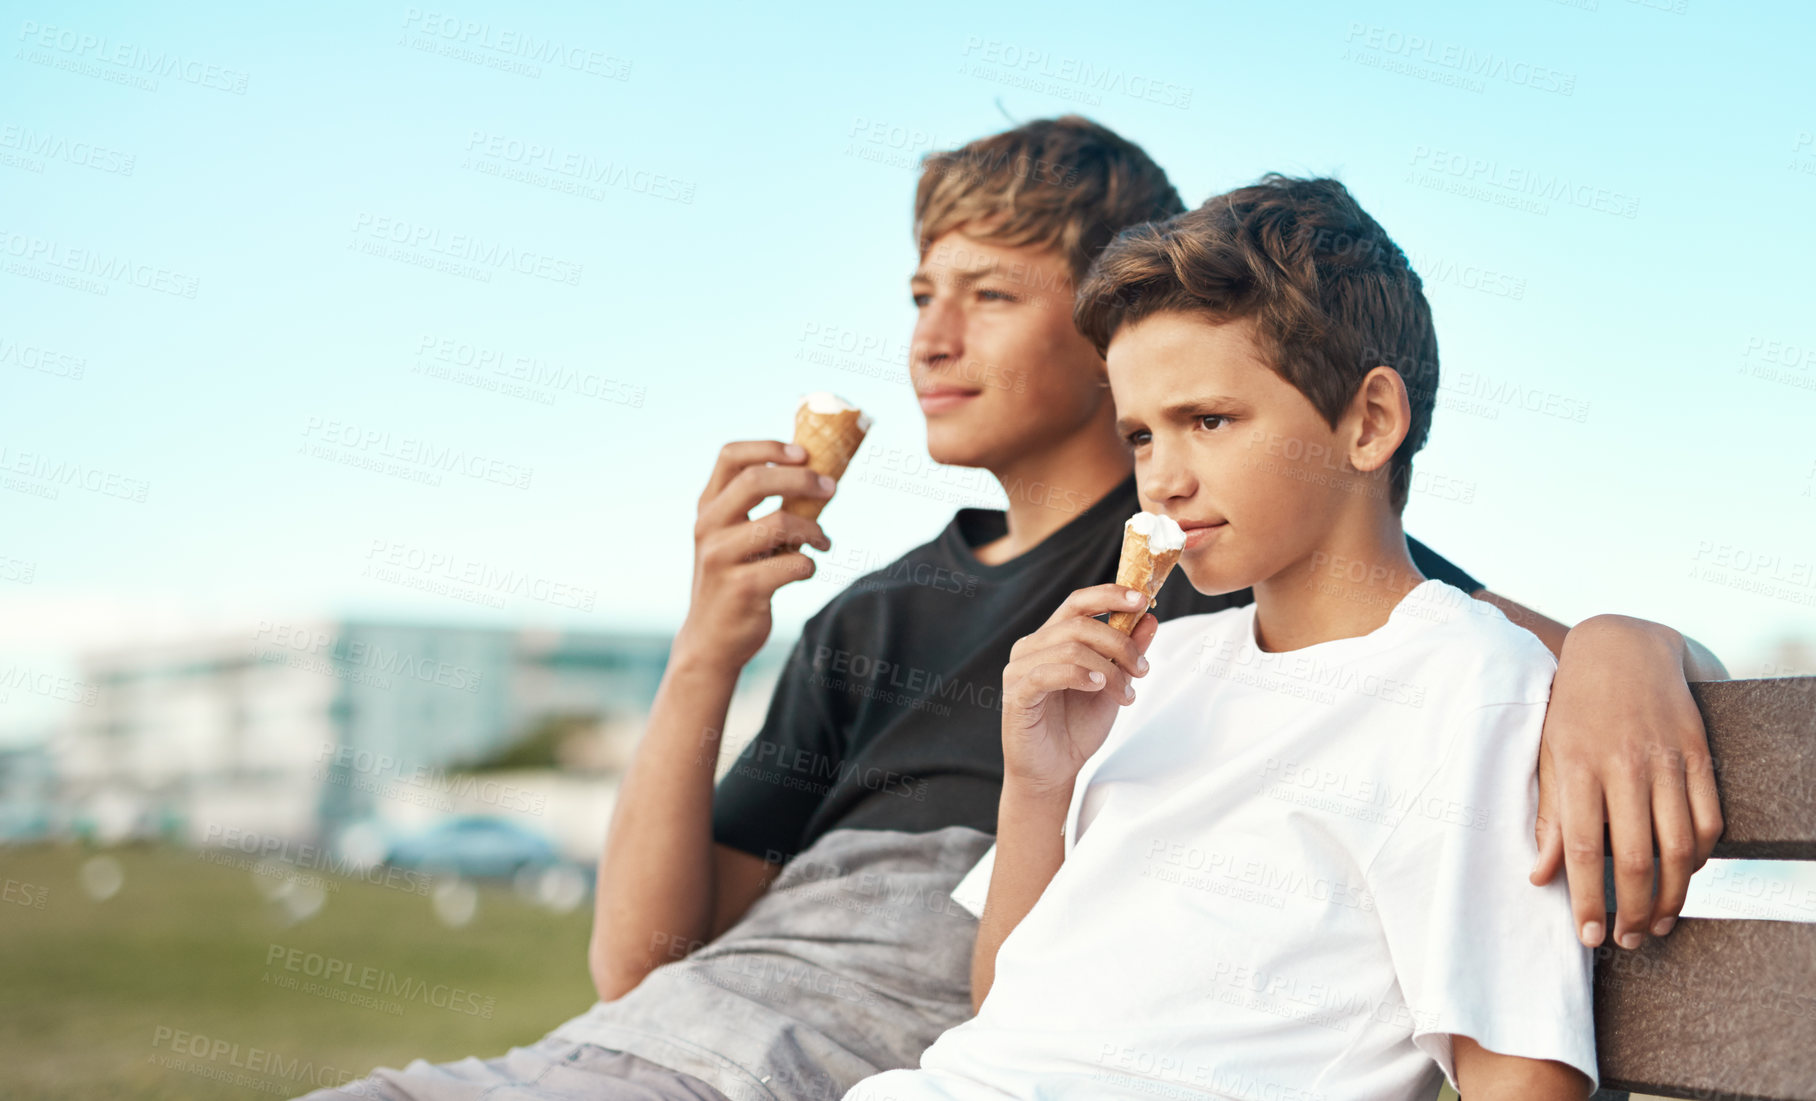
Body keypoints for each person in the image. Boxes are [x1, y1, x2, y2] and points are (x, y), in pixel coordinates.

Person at [299, 119, 1721, 1101]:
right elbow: (670, 966)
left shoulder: (1216, 580)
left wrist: (1624, 642)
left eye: (988, 293)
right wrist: (718, 650)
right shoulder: (937, 622)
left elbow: (1448, 648)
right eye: (921, 291)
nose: (929, 336)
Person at [849, 174, 1599, 1101]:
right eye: (1140, 436)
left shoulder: (1467, 683)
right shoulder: (1160, 672)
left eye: (1207, 421)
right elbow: (1007, 1014)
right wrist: (1039, 783)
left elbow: (1522, 1077)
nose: (1160, 479)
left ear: (1369, 422)